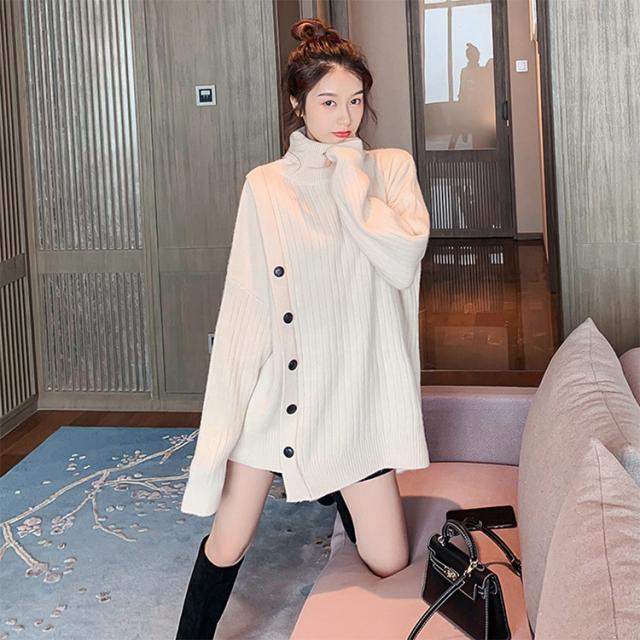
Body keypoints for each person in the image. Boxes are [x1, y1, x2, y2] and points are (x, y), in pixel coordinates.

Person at [175, 17, 431, 640]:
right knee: (229, 541)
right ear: (298, 103)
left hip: (353, 400)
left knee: (389, 561)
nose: (345, 117)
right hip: (281, 396)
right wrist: (225, 419)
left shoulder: (389, 170)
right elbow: (247, 305)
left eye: (355, 101)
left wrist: (349, 174)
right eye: (328, 102)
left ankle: (332, 484)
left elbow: (401, 260)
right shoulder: (266, 187)